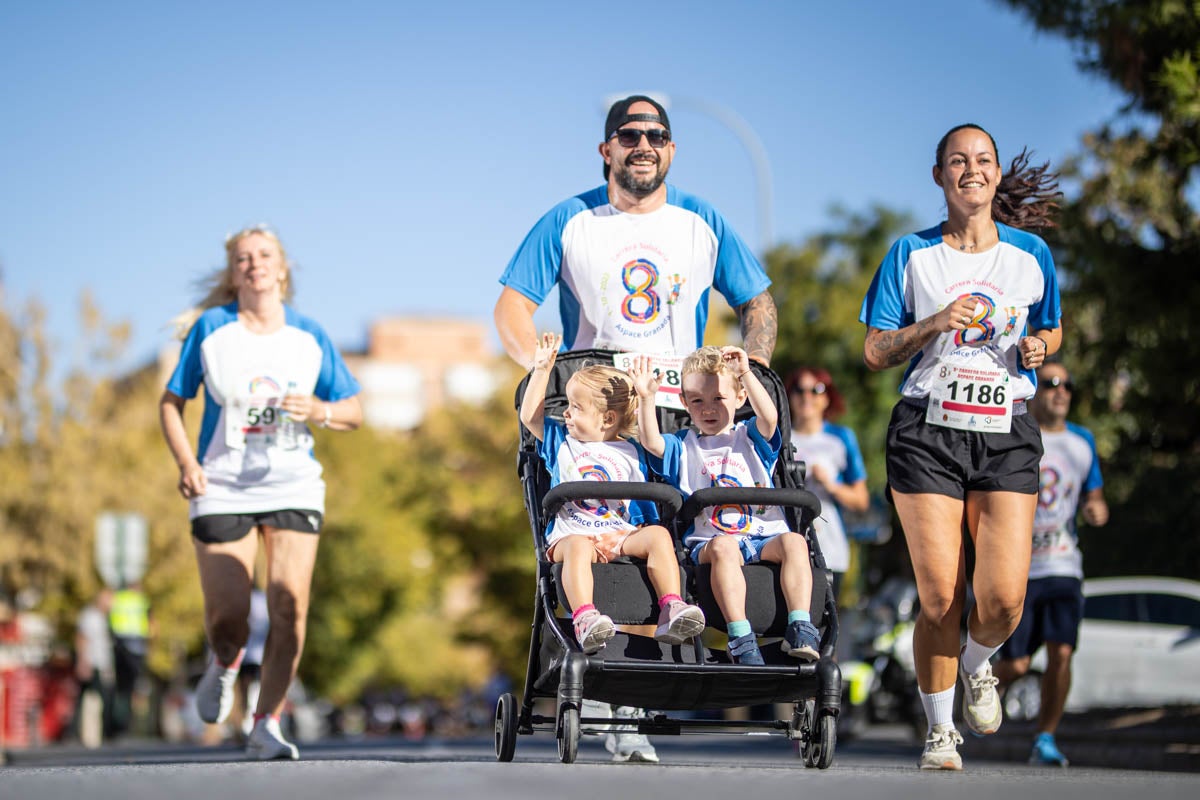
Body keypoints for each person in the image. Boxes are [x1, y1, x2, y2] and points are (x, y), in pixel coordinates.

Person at [495, 93, 777, 763]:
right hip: (600, 412)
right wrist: (545, 372)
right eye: (629, 134)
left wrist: (752, 368)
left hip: (683, 408)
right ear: (607, 148)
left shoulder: (701, 221)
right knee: (600, 540)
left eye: (655, 134)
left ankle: (656, 681)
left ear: (671, 149)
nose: (642, 144)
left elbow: (757, 302)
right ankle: (612, 697)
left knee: (674, 546)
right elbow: (511, 308)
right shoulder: (572, 220)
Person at [859, 123, 1063, 771]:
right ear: (939, 175)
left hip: (1006, 429)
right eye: (957, 160)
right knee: (941, 596)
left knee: (1002, 601)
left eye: (982, 160)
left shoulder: (1030, 255)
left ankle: (977, 662)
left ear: (997, 174)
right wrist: (933, 323)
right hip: (928, 430)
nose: (971, 169)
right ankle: (941, 731)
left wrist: (1039, 347)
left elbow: (1051, 329)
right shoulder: (912, 254)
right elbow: (875, 350)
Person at [159, 224, 363, 761]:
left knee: (289, 607)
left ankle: (265, 723)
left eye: (264, 254)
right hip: (222, 485)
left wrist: (318, 410)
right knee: (229, 621)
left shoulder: (308, 336)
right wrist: (186, 463)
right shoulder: (212, 330)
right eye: (243, 258)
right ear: (233, 274)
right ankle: (224, 661)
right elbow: (171, 402)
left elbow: (353, 410)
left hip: (293, 482)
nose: (255, 263)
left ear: (282, 269)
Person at [632, 346, 821, 665]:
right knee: (725, 548)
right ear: (684, 403)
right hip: (711, 540)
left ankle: (800, 625)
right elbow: (651, 442)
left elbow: (770, 417)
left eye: (719, 398)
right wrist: (647, 398)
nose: (708, 408)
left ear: (739, 397)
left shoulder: (750, 438)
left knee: (795, 542)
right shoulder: (684, 446)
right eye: (697, 401)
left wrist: (745, 372)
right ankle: (741, 635)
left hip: (763, 534)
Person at [520, 332, 706, 655]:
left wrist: (647, 398)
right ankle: (584, 617)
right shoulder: (561, 442)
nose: (566, 413)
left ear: (607, 418)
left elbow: (651, 446)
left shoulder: (632, 451)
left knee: (659, 536)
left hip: (618, 532)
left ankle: (671, 606)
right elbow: (529, 417)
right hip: (574, 533)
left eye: (575, 407)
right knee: (578, 547)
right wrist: (541, 371)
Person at [994, 362, 1108, 767]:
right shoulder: (1012, 431)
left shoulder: (1082, 441)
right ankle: (971, 688)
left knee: (1061, 654)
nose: (1061, 391)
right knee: (1016, 664)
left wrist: (1097, 509)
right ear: (1032, 389)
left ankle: (1045, 738)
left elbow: (1095, 496)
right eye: (1051, 383)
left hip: (1063, 567)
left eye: (1067, 385)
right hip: (1020, 569)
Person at [785, 367, 869, 603]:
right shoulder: (780, 438)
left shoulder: (840, 438)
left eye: (816, 390)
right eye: (799, 390)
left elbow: (861, 501)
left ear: (827, 397)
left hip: (830, 546)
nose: (807, 396)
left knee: (825, 617)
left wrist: (830, 485)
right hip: (786, 543)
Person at [71, 587, 115, 746]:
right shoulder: (90, 617)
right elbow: (81, 639)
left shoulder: (104, 618)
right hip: (92, 663)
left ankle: (94, 735)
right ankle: (85, 735)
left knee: (98, 699)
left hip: (101, 664)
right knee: (91, 699)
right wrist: (83, 661)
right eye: (109, 600)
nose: (112, 604)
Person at [108, 582, 152, 737]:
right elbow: (151, 623)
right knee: (135, 686)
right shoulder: (141, 600)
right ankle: (131, 724)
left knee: (121, 687)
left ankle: (119, 724)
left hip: (119, 644)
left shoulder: (118, 598)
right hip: (136, 646)